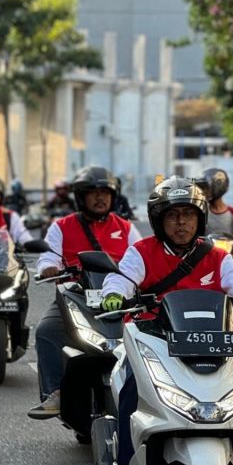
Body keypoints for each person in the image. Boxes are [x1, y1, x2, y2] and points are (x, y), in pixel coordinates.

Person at [97, 177, 233, 465]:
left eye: (188, 215)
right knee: (129, 396)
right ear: (159, 220)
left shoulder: (218, 256)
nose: (181, 223)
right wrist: (114, 294)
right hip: (155, 342)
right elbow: (120, 280)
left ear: (200, 218)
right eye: (173, 215)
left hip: (212, 343)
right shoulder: (141, 252)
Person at [28, 165, 137, 419]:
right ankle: (56, 393)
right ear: (80, 196)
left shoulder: (126, 228)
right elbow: (48, 255)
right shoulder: (62, 226)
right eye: (92, 192)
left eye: (105, 192)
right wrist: (48, 268)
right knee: (46, 332)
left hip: (120, 299)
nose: (100, 198)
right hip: (76, 296)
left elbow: (141, 257)